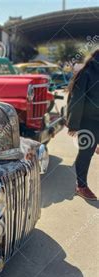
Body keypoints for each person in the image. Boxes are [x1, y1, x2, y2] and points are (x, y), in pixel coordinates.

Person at [67, 49, 99, 201]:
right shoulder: (85, 73)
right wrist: (74, 125)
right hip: (88, 122)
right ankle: (81, 186)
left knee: (90, 149)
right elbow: (77, 99)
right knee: (85, 154)